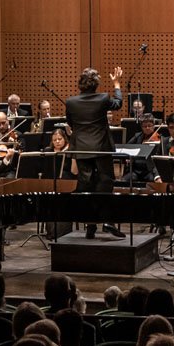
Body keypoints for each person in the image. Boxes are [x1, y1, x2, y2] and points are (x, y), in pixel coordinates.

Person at [65, 65, 126, 238]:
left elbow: (70, 122)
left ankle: (90, 224)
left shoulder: (71, 102)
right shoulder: (103, 98)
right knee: (106, 181)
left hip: (81, 148)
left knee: (86, 185)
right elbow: (118, 103)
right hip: (101, 148)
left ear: (80, 84)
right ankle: (106, 221)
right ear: (96, 84)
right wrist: (116, 83)